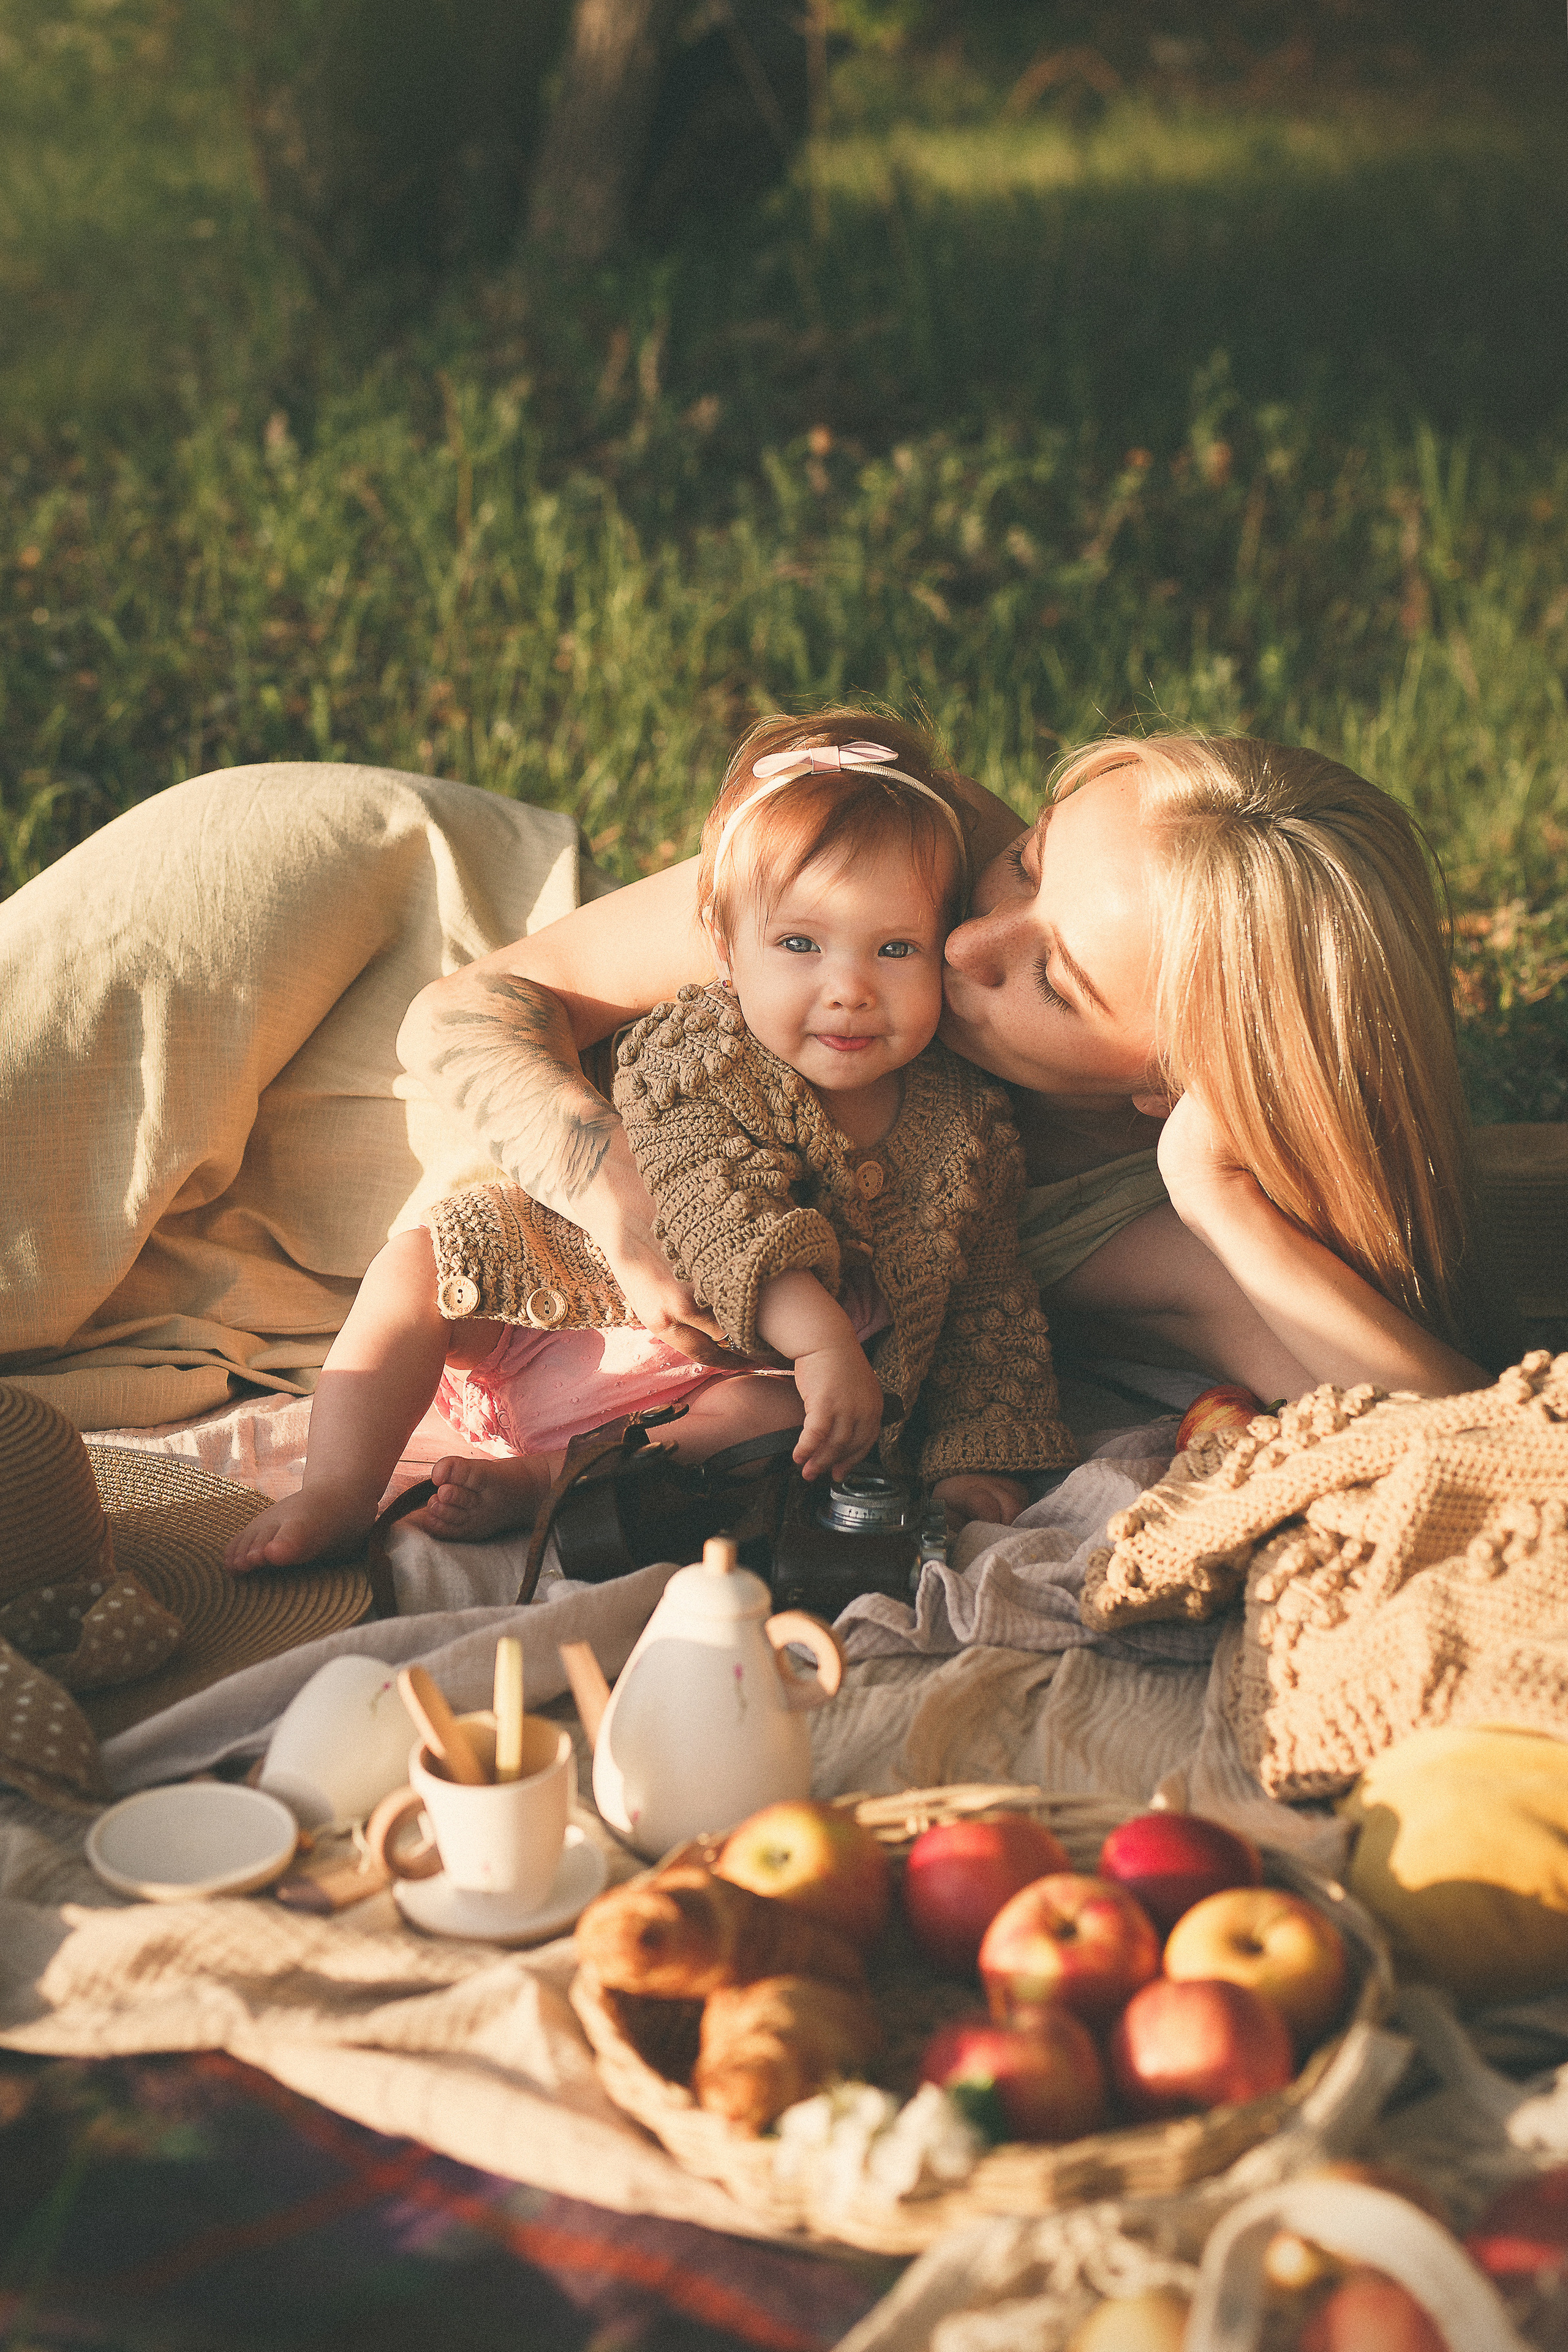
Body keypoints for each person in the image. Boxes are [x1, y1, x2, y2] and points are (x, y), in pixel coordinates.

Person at [393, 717, 1495, 1422]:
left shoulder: (1142, 1222)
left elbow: (1461, 1437)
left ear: (1177, 1086)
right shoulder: (892, 874)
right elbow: (463, 1015)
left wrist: (1224, 1198)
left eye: (1053, 983)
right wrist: (623, 1198)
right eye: (1030, 862)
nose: (968, 940)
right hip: (423, 988)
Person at [227, 717, 1075, 1572]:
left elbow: (988, 1299)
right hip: (564, 1312)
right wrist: (823, 1341)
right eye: (800, 945)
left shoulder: (967, 1124)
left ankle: (546, 1480)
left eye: (895, 948)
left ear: (944, 950)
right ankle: (338, 1487)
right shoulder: (698, 1049)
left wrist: (979, 1455)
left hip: (722, 1388)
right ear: (725, 948)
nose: (848, 990)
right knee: (417, 1268)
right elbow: (710, 1196)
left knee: (770, 1425)